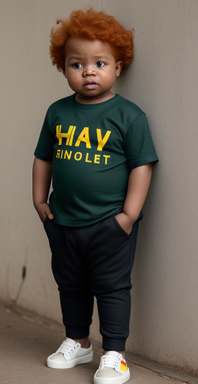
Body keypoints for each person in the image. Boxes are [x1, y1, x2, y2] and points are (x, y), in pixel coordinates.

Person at [32, 8, 158, 384]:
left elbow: (142, 165)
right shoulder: (57, 113)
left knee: (112, 287)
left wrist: (129, 216)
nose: (88, 71)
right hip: (63, 221)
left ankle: (114, 354)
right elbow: (43, 158)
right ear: (63, 67)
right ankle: (77, 340)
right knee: (69, 284)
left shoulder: (128, 116)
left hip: (109, 224)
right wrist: (40, 203)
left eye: (99, 63)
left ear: (118, 67)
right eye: (76, 64)